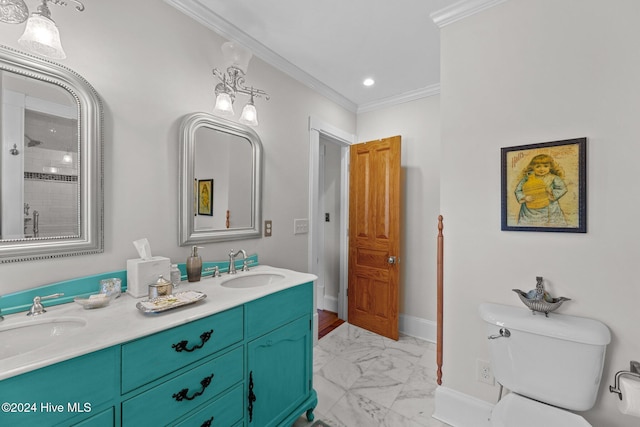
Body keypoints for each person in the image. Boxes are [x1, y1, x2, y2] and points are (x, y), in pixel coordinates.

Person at [514, 154, 567, 226]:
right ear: (532, 167)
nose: (542, 169)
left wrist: (551, 192)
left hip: (549, 207)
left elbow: (562, 188)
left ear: (550, 167)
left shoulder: (554, 178)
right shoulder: (527, 178)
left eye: (545, 166)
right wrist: (525, 197)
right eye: (538, 166)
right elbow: (518, 190)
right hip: (530, 208)